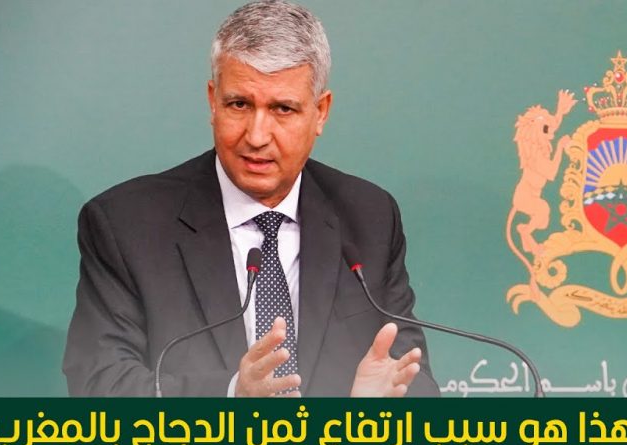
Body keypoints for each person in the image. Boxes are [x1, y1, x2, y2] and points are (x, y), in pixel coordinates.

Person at [62, 0, 439, 402]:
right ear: (213, 101)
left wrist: (368, 413)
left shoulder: (369, 218)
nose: (257, 136)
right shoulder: (127, 225)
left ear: (320, 112)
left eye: (282, 109)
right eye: (239, 104)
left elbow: (414, 381)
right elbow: (99, 386)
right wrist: (231, 397)